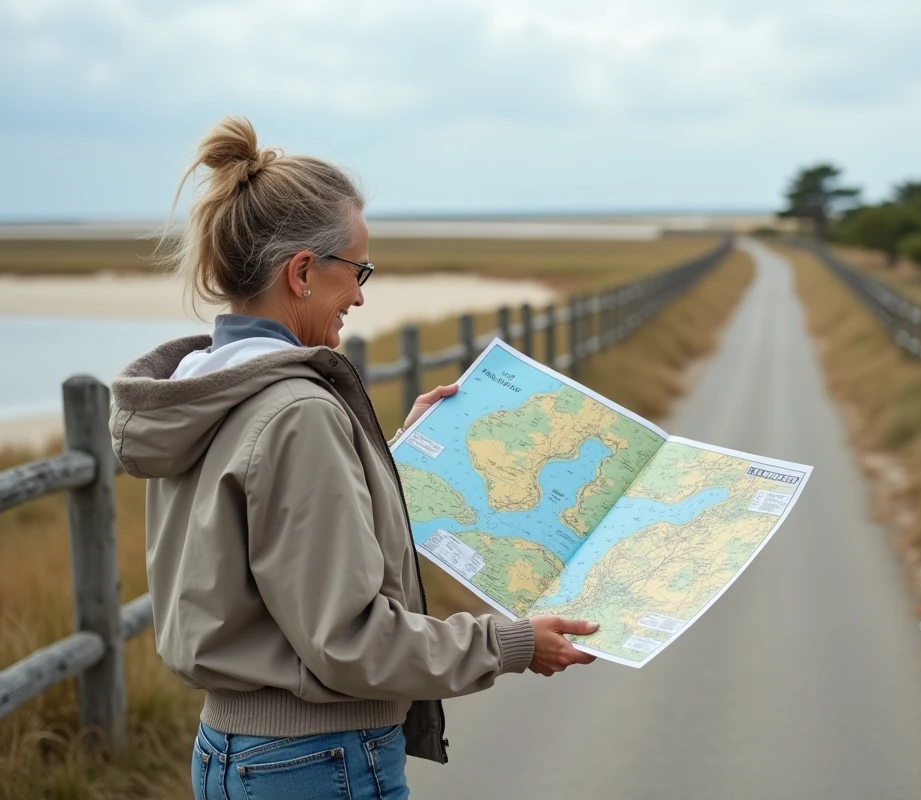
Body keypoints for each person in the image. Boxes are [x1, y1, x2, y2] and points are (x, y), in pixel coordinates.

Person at [108, 116, 598, 800]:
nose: (363, 294)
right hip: (318, 759)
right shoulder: (298, 413)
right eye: (357, 270)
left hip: (232, 750)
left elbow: (273, 537)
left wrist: (399, 458)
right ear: (303, 272)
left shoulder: (206, 386)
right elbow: (350, 639)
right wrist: (510, 644)